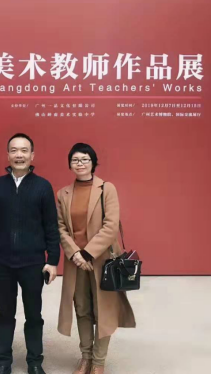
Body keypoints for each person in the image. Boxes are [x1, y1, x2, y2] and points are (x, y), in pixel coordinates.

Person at [57, 143, 136, 375]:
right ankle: (86, 357)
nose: (80, 163)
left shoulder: (106, 189)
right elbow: (60, 227)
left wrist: (87, 253)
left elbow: (110, 226)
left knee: (104, 310)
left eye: (85, 159)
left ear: (93, 162)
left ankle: (98, 362)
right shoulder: (63, 194)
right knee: (82, 309)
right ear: (70, 164)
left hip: (102, 261)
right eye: (75, 160)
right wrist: (75, 253)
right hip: (76, 263)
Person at [0, 133, 61, 375]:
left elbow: (51, 226)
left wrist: (52, 260)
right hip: (2, 263)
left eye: (24, 150)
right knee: (5, 314)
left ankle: (35, 362)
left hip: (33, 263)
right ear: (8, 155)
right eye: (14, 150)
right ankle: (3, 362)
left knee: (33, 315)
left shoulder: (43, 186)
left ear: (32, 155)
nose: (19, 155)